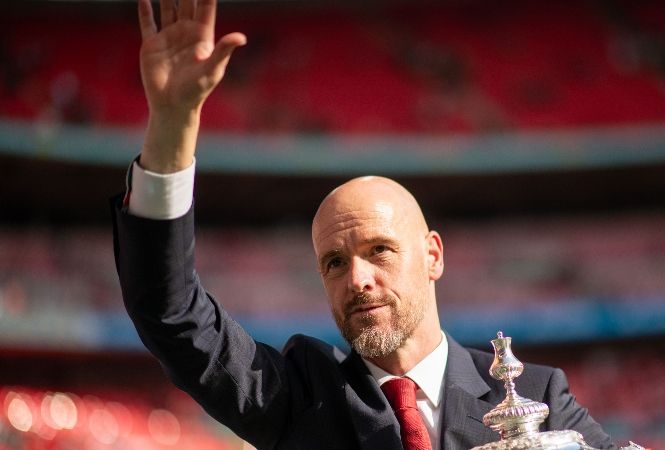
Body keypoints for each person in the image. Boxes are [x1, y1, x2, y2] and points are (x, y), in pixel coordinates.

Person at [112, 1, 616, 449]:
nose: (357, 279)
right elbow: (171, 313)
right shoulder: (294, 397)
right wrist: (173, 125)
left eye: (379, 250)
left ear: (433, 255)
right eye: (334, 262)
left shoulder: (534, 394)